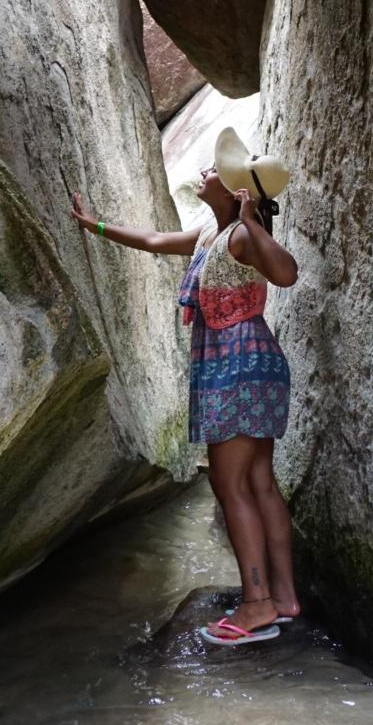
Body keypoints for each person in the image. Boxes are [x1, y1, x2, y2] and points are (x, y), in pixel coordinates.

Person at [67, 127, 299, 646]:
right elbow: (151, 241)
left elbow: (286, 273)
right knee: (259, 482)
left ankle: (258, 604)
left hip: (236, 367)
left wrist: (250, 222)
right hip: (249, 365)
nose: (204, 172)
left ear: (237, 190)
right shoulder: (208, 236)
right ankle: (282, 595)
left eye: (214, 171)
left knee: (231, 484)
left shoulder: (240, 236)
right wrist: (94, 225)